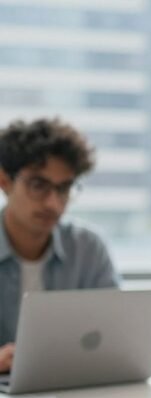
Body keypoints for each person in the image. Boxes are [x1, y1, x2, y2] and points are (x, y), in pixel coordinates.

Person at [0, 118, 118, 373]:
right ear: (5, 181)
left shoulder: (87, 247)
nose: (53, 203)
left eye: (64, 188)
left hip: (72, 389)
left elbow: (116, 337)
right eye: (38, 185)